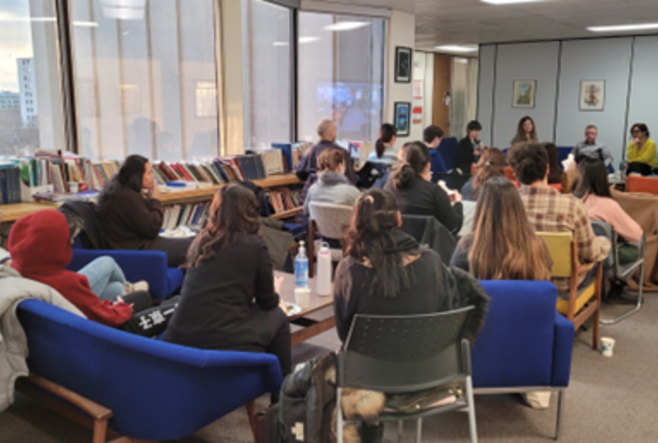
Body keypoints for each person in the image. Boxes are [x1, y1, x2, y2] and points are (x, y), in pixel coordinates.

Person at [163, 185, 291, 379]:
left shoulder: (201, 242)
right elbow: (267, 302)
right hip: (223, 341)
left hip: (179, 338)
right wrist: (274, 294)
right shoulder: (255, 246)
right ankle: (281, 398)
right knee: (279, 317)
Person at [334, 188, 489, 343]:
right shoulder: (432, 264)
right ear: (399, 219)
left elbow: (345, 335)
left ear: (358, 222)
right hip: (425, 364)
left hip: (366, 365)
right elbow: (444, 323)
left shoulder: (347, 271)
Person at [8, 210, 178, 336]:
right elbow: (104, 318)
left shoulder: (15, 272)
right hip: (93, 335)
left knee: (116, 288)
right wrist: (122, 308)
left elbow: (89, 307)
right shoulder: (68, 283)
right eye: (67, 238)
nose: (72, 241)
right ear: (51, 248)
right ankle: (131, 290)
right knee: (141, 295)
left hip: (60, 332)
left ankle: (125, 288)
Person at [508, 142, 610, 292]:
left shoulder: (506, 206)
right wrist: (605, 243)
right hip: (563, 287)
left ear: (515, 175)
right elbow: (592, 253)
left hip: (518, 281)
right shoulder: (573, 206)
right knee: (601, 237)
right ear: (547, 169)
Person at [97, 154, 193, 267]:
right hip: (139, 251)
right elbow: (153, 228)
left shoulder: (120, 191)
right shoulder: (127, 197)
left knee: (195, 240)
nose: (153, 177)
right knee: (197, 245)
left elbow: (141, 221)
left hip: (139, 246)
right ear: (137, 176)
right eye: (149, 173)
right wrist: (155, 199)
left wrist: (148, 201)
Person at [451, 177, 552, 280]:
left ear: (482, 209)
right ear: (518, 207)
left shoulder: (468, 246)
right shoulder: (537, 246)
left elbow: (455, 284)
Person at [384, 142, 463, 234]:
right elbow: (454, 227)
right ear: (428, 165)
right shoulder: (433, 191)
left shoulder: (388, 187)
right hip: (430, 247)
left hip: (396, 245)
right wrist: (458, 204)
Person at [295, 118, 357, 184]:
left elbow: (300, 173)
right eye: (335, 131)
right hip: (337, 192)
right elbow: (351, 179)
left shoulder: (308, 151)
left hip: (314, 192)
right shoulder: (341, 152)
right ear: (330, 134)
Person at [303, 148, 361, 216]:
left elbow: (306, 213)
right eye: (344, 165)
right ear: (339, 166)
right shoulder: (352, 192)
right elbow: (363, 217)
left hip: (319, 226)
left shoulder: (312, 190)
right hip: (344, 226)